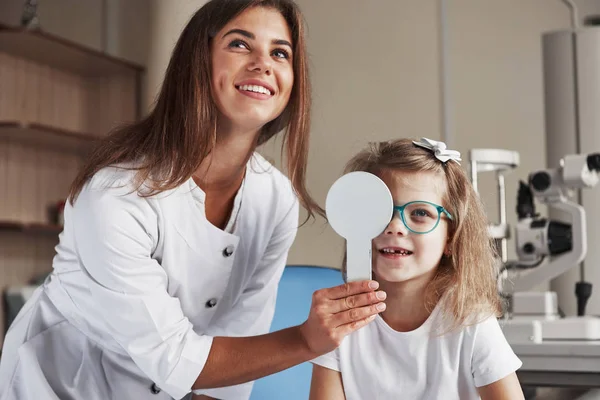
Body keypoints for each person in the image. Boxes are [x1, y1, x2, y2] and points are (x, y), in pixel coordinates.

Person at [0, 1, 386, 399]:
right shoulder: (117, 195)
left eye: (280, 52)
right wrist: (307, 341)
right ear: (198, 59)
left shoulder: (274, 201)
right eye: (240, 44)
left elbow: (239, 334)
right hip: (59, 384)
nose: (263, 63)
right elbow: (174, 357)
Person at [309, 138, 525, 400]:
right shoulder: (340, 321)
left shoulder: (471, 323)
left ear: (450, 238)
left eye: (420, 213)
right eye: (381, 210)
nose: (395, 226)